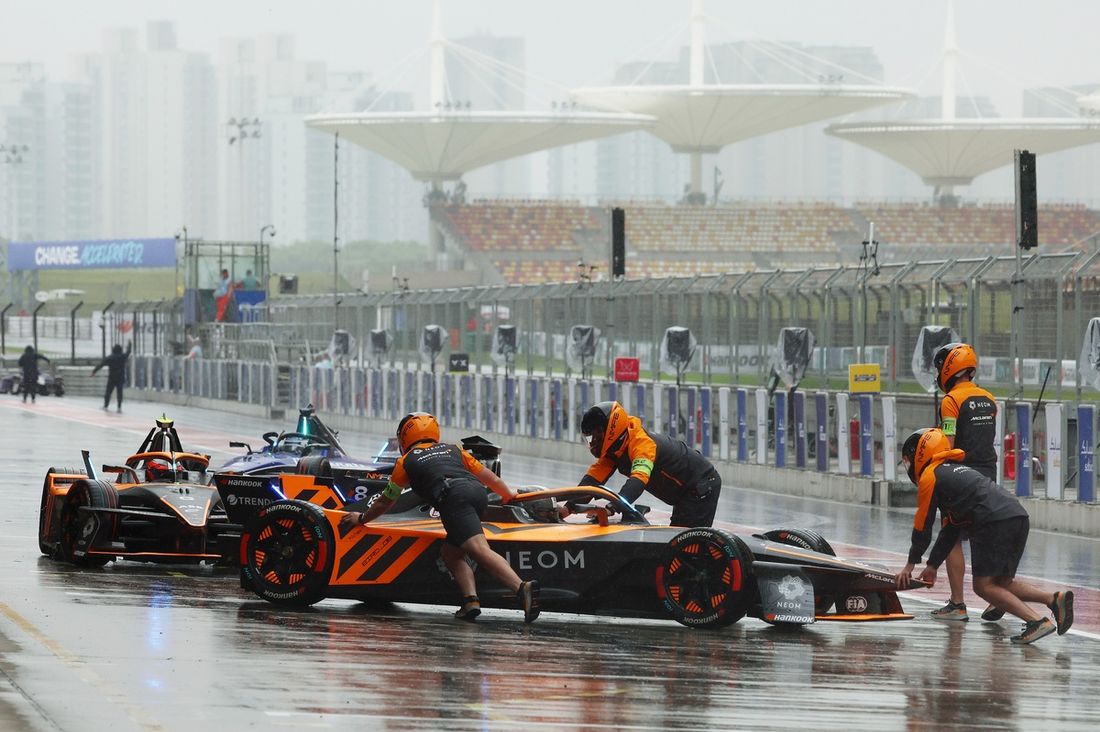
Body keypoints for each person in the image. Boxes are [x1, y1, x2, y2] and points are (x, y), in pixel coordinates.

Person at [338, 412, 540, 623]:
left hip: (454, 498)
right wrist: (509, 496)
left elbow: (385, 501)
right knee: (451, 552)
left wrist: (361, 519)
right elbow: (489, 478)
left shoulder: (405, 462)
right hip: (477, 494)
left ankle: (521, 588)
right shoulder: (454, 450)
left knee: (479, 549)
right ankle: (470, 602)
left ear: (404, 438)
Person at [894, 428, 1074, 645]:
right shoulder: (954, 471)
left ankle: (1036, 622)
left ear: (919, 455)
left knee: (983, 586)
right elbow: (950, 529)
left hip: (992, 521)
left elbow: (922, 525)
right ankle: (1054, 599)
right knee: (1000, 583)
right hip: (1016, 516)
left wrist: (911, 564)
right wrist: (932, 565)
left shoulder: (930, 477)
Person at [929, 342, 1000, 623]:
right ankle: (997, 597)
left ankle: (957, 603)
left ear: (949, 368)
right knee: (987, 537)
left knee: (953, 536)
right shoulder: (989, 398)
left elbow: (948, 440)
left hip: (960, 474)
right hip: (988, 471)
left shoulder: (950, 401)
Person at [568, 401, 721, 527]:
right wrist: (567, 508)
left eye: (596, 436)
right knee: (676, 542)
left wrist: (611, 508)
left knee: (683, 545)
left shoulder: (642, 445)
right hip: (683, 492)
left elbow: (638, 481)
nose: (593, 442)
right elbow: (592, 480)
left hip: (700, 485)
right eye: (589, 438)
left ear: (610, 431)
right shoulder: (614, 450)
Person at [92, 341, 132, 411]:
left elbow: (101, 364)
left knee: (108, 392)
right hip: (120, 378)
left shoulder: (110, 357)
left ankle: (105, 405)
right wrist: (129, 345)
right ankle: (119, 407)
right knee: (119, 393)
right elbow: (128, 352)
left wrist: (94, 372)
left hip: (112, 378)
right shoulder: (122, 357)